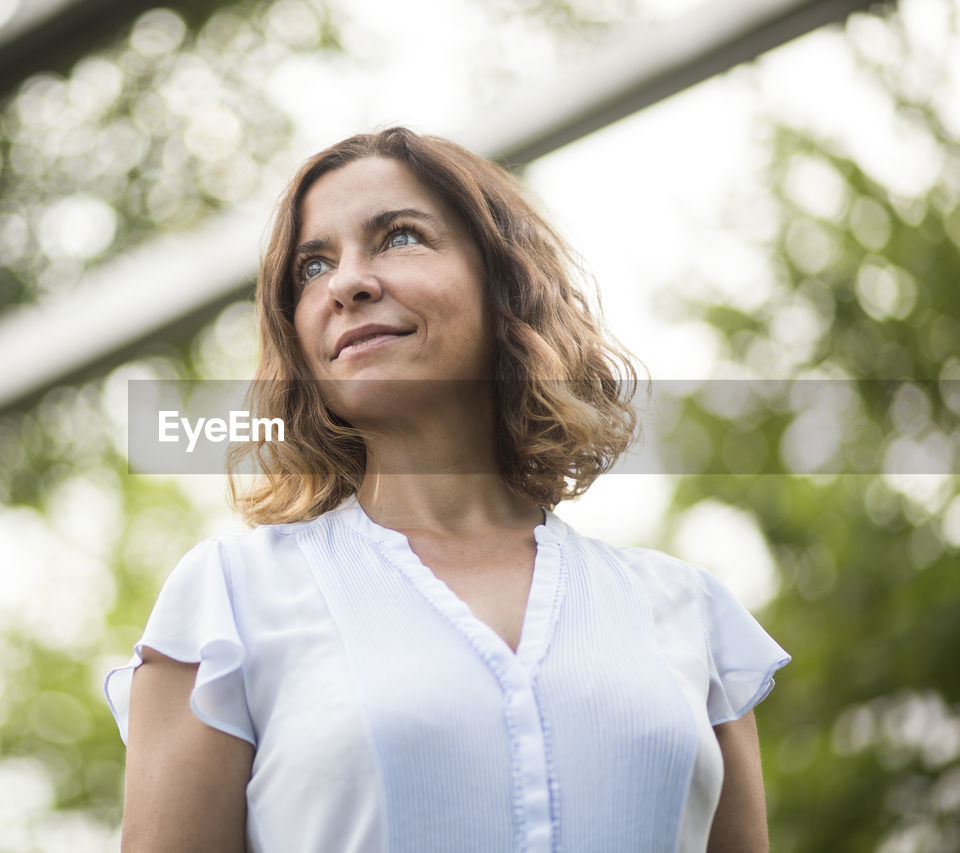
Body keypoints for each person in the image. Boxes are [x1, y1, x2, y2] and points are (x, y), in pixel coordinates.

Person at [103, 127, 790, 852]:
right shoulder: (229, 605)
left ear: (505, 285)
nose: (346, 284)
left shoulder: (687, 614)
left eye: (398, 237)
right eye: (313, 266)